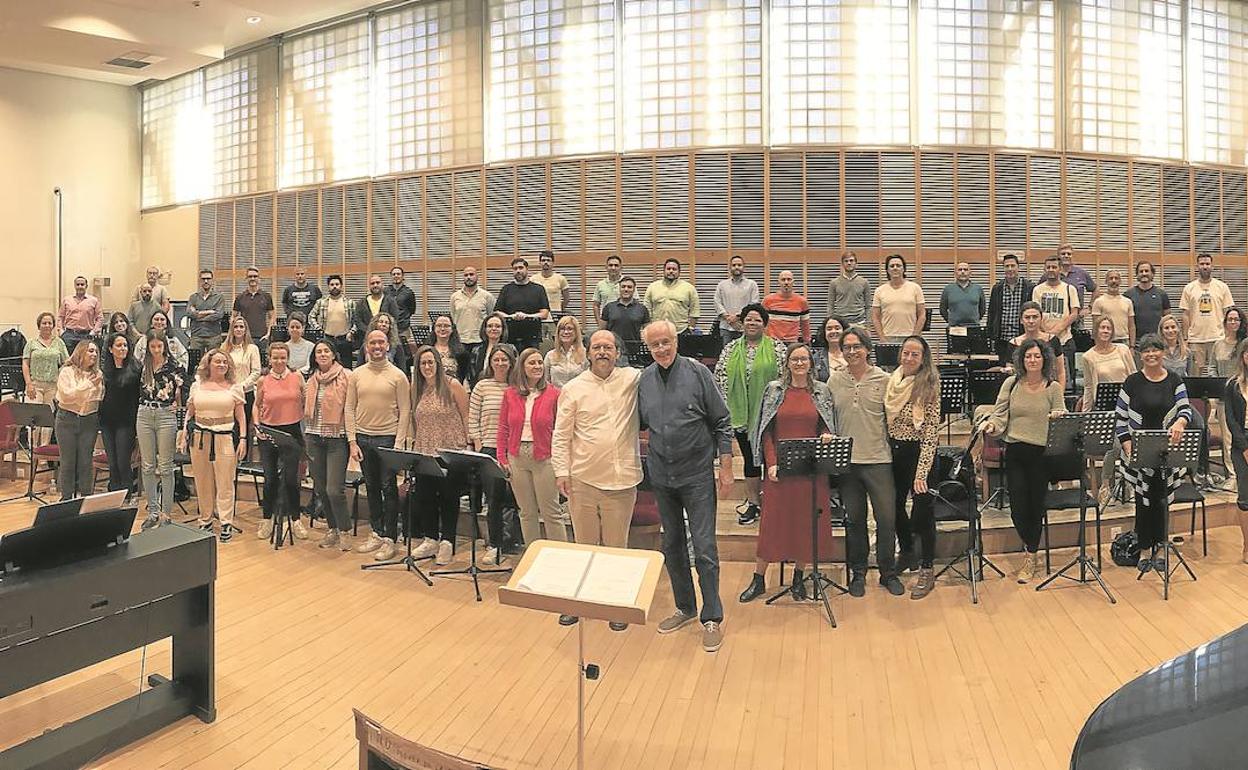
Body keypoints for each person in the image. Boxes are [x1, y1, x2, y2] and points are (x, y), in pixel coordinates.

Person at [638, 320, 733, 653]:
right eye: (655, 345)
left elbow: (722, 422)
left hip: (697, 476)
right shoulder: (644, 380)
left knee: (704, 548)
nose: (661, 349)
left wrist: (726, 466)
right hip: (662, 476)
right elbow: (637, 423)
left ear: (676, 341)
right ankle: (685, 607)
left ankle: (712, 617)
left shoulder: (697, 373)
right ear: (648, 349)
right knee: (672, 546)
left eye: (666, 342)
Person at [737, 343, 838, 604]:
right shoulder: (774, 390)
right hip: (780, 471)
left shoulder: (822, 391)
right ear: (787, 363)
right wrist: (771, 463)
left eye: (804, 359)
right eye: (795, 359)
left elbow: (826, 426)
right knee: (772, 524)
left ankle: (798, 578)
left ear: (811, 363)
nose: (800, 363)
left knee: (807, 524)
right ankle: (759, 579)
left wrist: (826, 435)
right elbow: (766, 431)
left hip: (811, 471)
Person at [552, 332, 642, 593]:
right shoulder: (573, 388)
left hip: (622, 481)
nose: (603, 352)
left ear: (617, 352)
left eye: (608, 347)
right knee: (585, 547)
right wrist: (561, 472)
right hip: (582, 481)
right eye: (597, 347)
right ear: (588, 352)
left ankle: (615, 599)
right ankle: (584, 597)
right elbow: (561, 435)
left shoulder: (633, 379)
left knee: (617, 548)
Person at [983, 339, 1066, 583]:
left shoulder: (1053, 388)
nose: (1032, 360)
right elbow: (999, 415)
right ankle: (1030, 546)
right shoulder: (1011, 384)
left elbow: (1061, 416)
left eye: (1037, 356)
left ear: (1044, 359)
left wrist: (1058, 417)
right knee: (1018, 507)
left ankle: (1030, 555)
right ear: (1022, 359)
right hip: (1016, 450)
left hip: (1041, 454)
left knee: (1035, 506)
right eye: (1028, 356)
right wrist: (992, 425)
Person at [827, 328, 902, 596]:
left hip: (878, 459)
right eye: (846, 347)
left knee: (886, 519)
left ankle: (887, 572)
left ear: (867, 349)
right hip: (847, 462)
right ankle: (857, 573)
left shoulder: (884, 379)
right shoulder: (834, 381)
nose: (851, 351)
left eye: (856, 346)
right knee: (854, 520)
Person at [1116, 334, 1194, 572]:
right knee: (1143, 500)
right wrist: (1129, 449)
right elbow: (1121, 418)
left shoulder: (1175, 380)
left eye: (1155, 350)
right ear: (1140, 354)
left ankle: (1160, 546)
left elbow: (1185, 409)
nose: (1151, 355)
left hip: (1166, 451)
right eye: (1146, 351)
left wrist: (1180, 422)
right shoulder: (1131, 382)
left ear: (1162, 353)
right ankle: (1145, 548)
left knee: (1161, 500)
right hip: (1138, 451)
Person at [713, 304, 786, 527]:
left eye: (757, 320)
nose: (752, 323)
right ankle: (754, 503)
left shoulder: (777, 348)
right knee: (751, 461)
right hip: (741, 416)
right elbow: (720, 378)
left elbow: (786, 378)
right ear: (741, 322)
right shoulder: (730, 348)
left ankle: (775, 504)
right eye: (748, 320)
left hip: (771, 416)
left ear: (765, 324)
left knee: (772, 460)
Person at [497, 347, 568, 559]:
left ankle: (561, 558)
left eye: (539, 363)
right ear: (522, 367)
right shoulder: (510, 394)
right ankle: (534, 557)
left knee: (551, 512)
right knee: (526, 512)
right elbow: (503, 428)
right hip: (517, 456)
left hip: (545, 457)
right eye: (532, 363)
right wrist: (502, 456)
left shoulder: (555, 394)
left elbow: (561, 429)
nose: (537, 367)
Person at [886, 336, 943, 599]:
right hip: (895, 452)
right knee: (894, 506)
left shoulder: (929, 384)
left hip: (920, 454)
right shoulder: (892, 381)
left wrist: (922, 473)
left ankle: (927, 568)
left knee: (923, 514)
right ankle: (907, 550)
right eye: (906, 353)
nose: (909, 358)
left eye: (915, 355)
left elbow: (931, 433)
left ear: (923, 359)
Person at [348, 330, 412, 561]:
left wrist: (398, 443)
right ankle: (376, 532)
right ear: (366, 346)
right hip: (363, 438)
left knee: (389, 488)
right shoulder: (356, 375)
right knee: (372, 487)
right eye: (372, 342)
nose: (376, 346)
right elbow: (349, 408)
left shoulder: (398, 376)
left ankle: (391, 539)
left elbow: (405, 411)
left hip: (387, 439)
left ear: (388, 345)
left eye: (381, 342)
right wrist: (352, 441)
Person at [408, 346, 470, 566]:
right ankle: (431, 539)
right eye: (423, 363)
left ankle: (447, 541)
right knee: (425, 497)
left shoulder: (452, 385)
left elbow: (466, 415)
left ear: (438, 364)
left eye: (430, 362)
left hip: (449, 451)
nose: (427, 367)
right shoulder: (417, 388)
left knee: (448, 499)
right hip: (425, 451)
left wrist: (469, 444)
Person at [181, 350, 247, 542]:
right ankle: (205, 519)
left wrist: (243, 438)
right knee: (202, 480)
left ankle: (226, 521)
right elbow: (190, 412)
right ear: (208, 363)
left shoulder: (235, 387)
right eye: (217, 361)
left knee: (225, 481)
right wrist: (185, 431)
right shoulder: (197, 385)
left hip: (224, 436)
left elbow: (241, 416)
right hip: (200, 436)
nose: (221, 365)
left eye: (224, 362)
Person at [253, 342, 309, 541]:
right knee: (270, 479)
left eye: (283, 357)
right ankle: (267, 518)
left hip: (292, 431)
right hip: (268, 431)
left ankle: (295, 519)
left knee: (291, 479)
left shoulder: (297, 377)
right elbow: (256, 405)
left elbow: (305, 399)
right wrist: (257, 426)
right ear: (269, 358)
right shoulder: (263, 380)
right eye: (275, 358)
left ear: (288, 358)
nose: (279, 361)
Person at [468, 344, 518, 566]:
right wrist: (478, 443)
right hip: (488, 449)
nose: (500, 364)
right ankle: (494, 545)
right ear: (490, 362)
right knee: (494, 500)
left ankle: (513, 541)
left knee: (517, 498)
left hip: (514, 449)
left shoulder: (518, 387)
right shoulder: (482, 386)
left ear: (511, 363)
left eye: (504, 360)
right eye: (496, 360)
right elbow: (473, 418)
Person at [1080, 317, 1136, 503]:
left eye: (1108, 328)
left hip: (1128, 407)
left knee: (1126, 440)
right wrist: (1085, 415)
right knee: (1115, 443)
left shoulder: (1123, 350)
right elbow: (1089, 387)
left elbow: (1134, 376)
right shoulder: (1088, 356)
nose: (1105, 331)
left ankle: (1125, 482)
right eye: (1102, 327)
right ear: (1095, 331)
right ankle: (1107, 484)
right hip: (1105, 411)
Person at [305, 341, 352, 552]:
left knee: (334, 489)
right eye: (318, 352)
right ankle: (332, 528)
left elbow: (351, 408)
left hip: (337, 438)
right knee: (321, 488)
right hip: (314, 437)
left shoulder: (347, 376)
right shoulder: (312, 379)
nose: (322, 354)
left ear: (334, 355)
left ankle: (344, 530)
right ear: (314, 357)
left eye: (326, 351)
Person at [136, 331, 185, 529]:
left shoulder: (175, 367)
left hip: (165, 415)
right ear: (148, 347)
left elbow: (182, 391)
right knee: (147, 466)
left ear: (165, 346)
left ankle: (166, 513)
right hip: (144, 413)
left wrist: (177, 405)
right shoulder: (143, 366)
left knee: (165, 466)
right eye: (153, 346)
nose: (156, 350)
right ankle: (153, 511)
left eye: (159, 346)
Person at [54, 340, 103, 500]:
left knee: (85, 462)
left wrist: (80, 391)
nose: (94, 354)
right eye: (90, 351)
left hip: (89, 419)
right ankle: (66, 498)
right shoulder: (67, 372)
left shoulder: (98, 374)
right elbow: (66, 396)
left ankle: (86, 499)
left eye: (95, 351)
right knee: (68, 462)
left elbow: (95, 398)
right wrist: (88, 385)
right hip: (66, 419)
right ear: (80, 352)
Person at [1032, 255, 1080, 394]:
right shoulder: (1037, 290)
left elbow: (1074, 313)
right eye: (1048, 267)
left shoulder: (1069, 289)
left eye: (1054, 267)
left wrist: (1057, 330)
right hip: (1043, 342)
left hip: (1065, 341)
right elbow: (1035, 313)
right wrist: (1045, 334)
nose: (1051, 270)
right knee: (1044, 378)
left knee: (1066, 380)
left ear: (1060, 269)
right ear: (1044, 269)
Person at [99, 332, 140, 496]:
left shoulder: (135, 369)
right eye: (118, 345)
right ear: (110, 349)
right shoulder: (104, 371)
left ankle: (127, 495)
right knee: (112, 462)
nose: (123, 348)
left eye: (125, 345)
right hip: (107, 422)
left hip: (127, 421)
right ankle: (114, 496)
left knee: (123, 461)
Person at [1182, 253, 1237, 374]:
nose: (1205, 266)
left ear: (1212, 266)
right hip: (1196, 339)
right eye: (1202, 264)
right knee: (1196, 373)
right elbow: (1185, 314)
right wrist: (1185, 338)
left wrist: (1229, 335)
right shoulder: (1189, 288)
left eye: (1207, 264)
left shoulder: (1222, 287)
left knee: (1219, 371)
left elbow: (1228, 312)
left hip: (1218, 337)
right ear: (1197, 266)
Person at [1221, 339, 1248, 563]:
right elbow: (1231, 419)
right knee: (1245, 495)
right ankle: (1247, 546)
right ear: (1242, 357)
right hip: (1242, 444)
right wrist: (1244, 447)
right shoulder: (1232, 385)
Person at [495, 257, 550, 352]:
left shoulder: (538, 289)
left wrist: (527, 316)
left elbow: (544, 313)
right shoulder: (506, 289)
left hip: (532, 338)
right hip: (509, 337)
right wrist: (510, 316)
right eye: (515, 269)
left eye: (521, 268)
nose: (518, 271)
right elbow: (497, 312)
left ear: (527, 269)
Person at [223, 314, 263, 441]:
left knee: (243, 429)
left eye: (241, 327)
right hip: (228, 393)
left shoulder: (252, 349)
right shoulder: (224, 348)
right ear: (232, 330)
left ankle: (243, 459)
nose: (238, 329)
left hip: (246, 393)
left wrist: (242, 385)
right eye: (236, 327)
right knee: (229, 428)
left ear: (245, 330)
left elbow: (256, 372)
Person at [1010, 302, 1067, 391]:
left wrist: (1060, 394)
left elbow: (1060, 372)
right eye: (1027, 317)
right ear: (1021, 320)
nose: (1031, 321)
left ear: (1041, 319)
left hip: (1049, 389)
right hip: (1022, 390)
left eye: (1035, 317)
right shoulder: (1013, 343)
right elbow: (1011, 375)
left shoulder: (1053, 340)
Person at [450, 266, 495, 374]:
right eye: (466, 275)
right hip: (461, 341)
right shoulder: (455, 297)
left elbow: (491, 318)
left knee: (477, 373)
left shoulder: (487, 296)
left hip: (480, 341)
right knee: (460, 373)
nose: (469, 277)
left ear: (477, 276)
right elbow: (453, 317)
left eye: (471, 274)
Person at [871, 255, 925, 342]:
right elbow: (875, 317)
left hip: (910, 336)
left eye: (898, 265)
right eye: (892, 266)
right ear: (887, 270)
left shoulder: (915, 288)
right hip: (888, 336)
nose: (895, 268)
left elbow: (922, 315)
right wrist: (882, 337)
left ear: (904, 269)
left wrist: (914, 336)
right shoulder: (879, 290)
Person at [23, 311, 69, 413]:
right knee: (33, 418)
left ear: (53, 326)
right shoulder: (31, 343)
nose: (47, 325)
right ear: (39, 325)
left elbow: (67, 362)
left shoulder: (59, 342)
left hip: (52, 386)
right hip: (35, 385)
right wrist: (29, 384)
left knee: (47, 422)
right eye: (44, 323)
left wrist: (59, 373)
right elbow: (25, 364)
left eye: (50, 323)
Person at [987, 253, 1035, 347]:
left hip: (1023, 338)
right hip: (1002, 339)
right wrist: (991, 336)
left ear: (1018, 267)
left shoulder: (1029, 288)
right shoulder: (997, 288)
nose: (1010, 269)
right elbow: (991, 313)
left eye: (1012, 266)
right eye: (1007, 266)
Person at [643, 258, 700, 332]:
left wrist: (691, 328)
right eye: (668, 269)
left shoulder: (689, 288)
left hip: (681, 331)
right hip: (658, 331)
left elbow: (695, 310)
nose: (671, 271)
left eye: (674, 269)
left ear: (679, 272)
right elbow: (646, 310)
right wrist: (649, 328)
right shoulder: (652, 287)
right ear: (664, 271)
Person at [310, 274, 354, 366]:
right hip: (327, 339)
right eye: (332, 284)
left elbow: (357, 320)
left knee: (346, 366)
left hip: (344, 339)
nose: (334, 287)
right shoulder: (321, 302)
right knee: (328, 365)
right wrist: (318, 329)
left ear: (341, 286)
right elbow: (311, 316)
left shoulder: (349, 302)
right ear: (328, 287)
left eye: (337, 284)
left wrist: (351, 332)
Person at [352, 275, 400, 356]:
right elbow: (358, 320)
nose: (375, 285)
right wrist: (371, 331)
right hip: (366, 339)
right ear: (369, 286)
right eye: (372, 283)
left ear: (382, 284)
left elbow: (394, 319)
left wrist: (383, 331)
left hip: (388, 340)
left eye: (377, 283)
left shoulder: (390, 301)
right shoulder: (361, 303)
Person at [715, 255, 760, 342]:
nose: (736, 267)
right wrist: (729, 318)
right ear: (729, 267)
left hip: (744, 327)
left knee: (745, 354)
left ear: (744, 267)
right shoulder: (722, 285)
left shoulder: (752, 285)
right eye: (734, 265)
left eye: (739, 265)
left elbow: (754, 304)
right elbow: (717, 303)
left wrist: (737, 316)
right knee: (726, 354)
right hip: (725, 327)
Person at [1123, 261, 1170, 340]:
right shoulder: (1128, 295)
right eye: (1141, 271)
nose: (1144, 273)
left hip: (1157, 340)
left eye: (1147, 271)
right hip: (1136, 341)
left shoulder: (1161, 294)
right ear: (1137, 275)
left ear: (1152, 274)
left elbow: (1167, 318)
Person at [763, 270, 811, 343]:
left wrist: (807, 343)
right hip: (771, 342)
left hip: (792, 343)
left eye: (789, 279)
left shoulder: (802, 302)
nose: (786, 282)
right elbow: (761, 324)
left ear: (793, 282)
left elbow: (805, 326)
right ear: (778, 282)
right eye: (783, 280)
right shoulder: (767, 300)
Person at [1091, 269, 1136, 347]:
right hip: (1106, 341)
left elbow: (1131, 326)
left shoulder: (1128, 302)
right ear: (1106, 281)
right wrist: (1098, 345)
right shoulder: (1098, 301)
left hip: (1124, 341)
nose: (1114, 281)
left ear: (1120, 281)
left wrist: (1132, 346)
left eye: (1116, 278)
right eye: (1111, 278)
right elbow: (1095, 326)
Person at [233, 266, 276, 348]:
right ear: (246, 279)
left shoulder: (266, 296)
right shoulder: (240, 297)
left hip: (262, 338)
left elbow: (272, 316)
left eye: (255, 276)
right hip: (245, 338)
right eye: (250, 276)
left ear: (259, 278)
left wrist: (268, 334)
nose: (252, 278)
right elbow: (233, 317)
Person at [58, 275, 102, 354]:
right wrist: (61, 331)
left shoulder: (94, 300)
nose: (80, 286)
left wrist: (93, 332)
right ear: (74, 286)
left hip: (86, 335)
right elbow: (60, 317)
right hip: (69, 335)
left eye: (82, 284)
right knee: (68, 360)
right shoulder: (67, 300)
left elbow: (100, 318)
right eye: (78, 284)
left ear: (86, 286)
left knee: (85, 361)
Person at [187, 269, 227, 352]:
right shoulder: (193, 297)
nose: (206, 281)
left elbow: (218, 315)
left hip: (214, 336)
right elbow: (189, 313)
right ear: (199, 281)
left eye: (208, 279)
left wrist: (197, 315)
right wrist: (209, 312)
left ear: (212, 280)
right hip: (196, 336)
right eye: (203, 279)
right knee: (195, 362)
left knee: (214, 361)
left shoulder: (219, 297)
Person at [827, 250, 870, 326]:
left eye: (851, 260)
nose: (849, 263)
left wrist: (868, 325)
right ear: (842, 264)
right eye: (846, 261)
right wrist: (830, 323)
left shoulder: (864, 282)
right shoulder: (834, 283)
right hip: (841, 323)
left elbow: (868, 306)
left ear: (856, 263)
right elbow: (830, 306)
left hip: (860, 322)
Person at [601, 277, 649, 343]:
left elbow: (648, 332)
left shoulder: (642, 309)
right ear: (619, 289)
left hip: (634, 349)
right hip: (613, 348)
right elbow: (602, 331)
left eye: (629, 287)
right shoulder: (609, 307)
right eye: (623, 287)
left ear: (634, 289)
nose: (626, 289)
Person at [544, 315, 588, 388]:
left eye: (570, 329)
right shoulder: (550, 355)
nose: (566, 332)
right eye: (562, 329)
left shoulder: (585, 354)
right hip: (556, 396)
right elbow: (545, 382)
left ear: (576, 332)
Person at [939, 262, 985, 327]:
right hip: (955, 328)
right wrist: (952, 321)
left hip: (974, 328)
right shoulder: (948, 289)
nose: (963, 272)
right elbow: (942, 310)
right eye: (960, 269)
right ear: (955, 273)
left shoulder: (978, 289)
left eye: (965, 270)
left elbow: (982, 309)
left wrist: (974, 321)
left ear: (970, 273)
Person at [469, 312, 509, 386]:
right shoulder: (476, 350)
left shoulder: (510, 349)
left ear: (503, 329)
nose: (493, 329)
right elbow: (472, 374)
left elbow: (515, 373)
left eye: (498, 326)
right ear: (485, 329)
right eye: (490, 326)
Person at [385, 266, 418, 354]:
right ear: (391, 277)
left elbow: (412, 310)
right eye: (394, 274)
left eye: (398, 274)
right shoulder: (385, 291)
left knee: (404, 354)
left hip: (403, 329)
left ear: (403, 276)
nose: (396, 276)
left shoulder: (409, 292)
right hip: (388, 329)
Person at [812, 316, 848, 382]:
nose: (833, 331)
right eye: (829, 329)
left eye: (837, 328)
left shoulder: (853, 354)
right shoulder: (816, 358)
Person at [1158, 313, 1193, 378]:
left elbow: (1189, 375)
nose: (1170, 330)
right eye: (1166, 328)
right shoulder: (1157, 352)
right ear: (1161, 331)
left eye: (1173, 327)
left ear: (1178, 329)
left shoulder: (1187, 352)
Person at [431, 314, 463, 380]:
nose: (442, 329)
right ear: (434, 328)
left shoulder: (461, 352)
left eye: (446, 326)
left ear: (452, 329)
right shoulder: (428, 349)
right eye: (439, 326)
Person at [593, 255, 624, 321]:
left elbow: (635, 303)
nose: (613, 268)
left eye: (616, 265)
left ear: (621, 267)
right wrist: (599, 322)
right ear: (606, 267)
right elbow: (596, 305)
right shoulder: (600, 284)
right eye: (610, 265)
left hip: (624, 322)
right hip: (606, 322)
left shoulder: (627, 284)